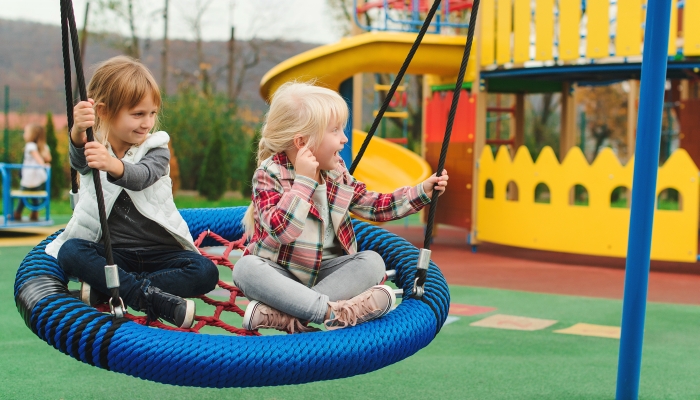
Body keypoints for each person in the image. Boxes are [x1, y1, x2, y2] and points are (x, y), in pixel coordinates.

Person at [233, 81, 449, 333]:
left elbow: (374, 206)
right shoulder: (269, 174)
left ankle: (291, 318)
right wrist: (303, 182)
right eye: (335, 131)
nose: (344, 138)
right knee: (245, 268)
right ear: (302, 142)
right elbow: (283, 231)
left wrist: (422, 192)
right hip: (281, 275)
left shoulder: (336, 172)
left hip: (328, 275)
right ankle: (335, 313)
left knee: (372, 262)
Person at [45, 56, 218, 328]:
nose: (147, 122)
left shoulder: (157, 147)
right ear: (102, 111)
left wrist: (112, 164)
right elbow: (79, 162)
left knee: (206, 272)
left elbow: (142, 177)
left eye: (152, 113)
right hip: (116, 255)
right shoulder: (95, 144)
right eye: (138, 114)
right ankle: (148, 296)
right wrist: (79, 129)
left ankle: (111, 290)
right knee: (71, 251)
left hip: (161, 253)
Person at [14, 124, 51, 222]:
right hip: (36, 176)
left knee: (24, 194)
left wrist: (43, 162)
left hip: (30, 177)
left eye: (26, 133)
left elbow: (41, 158)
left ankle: (18, 213)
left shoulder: (31, 145)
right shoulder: (36, 146)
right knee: (34, 194)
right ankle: (34, 213)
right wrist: (44, 161)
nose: (24, 135)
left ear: (32, 135)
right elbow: (47, 158)